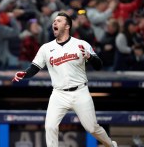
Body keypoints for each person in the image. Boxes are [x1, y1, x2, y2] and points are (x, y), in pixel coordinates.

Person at [12, 12, 118, 147]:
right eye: (54, 21)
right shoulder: (46, 48)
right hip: (59, 93)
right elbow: (34, 68)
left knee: (92, 128)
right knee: (50, 127)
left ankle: (111, 145)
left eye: (59, 21)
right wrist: (24, 74)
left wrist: (90, 57)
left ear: (67, 26)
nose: (54, 23)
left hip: (80, 91)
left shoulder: (81, 44)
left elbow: (99, 65)